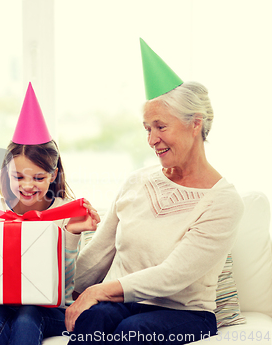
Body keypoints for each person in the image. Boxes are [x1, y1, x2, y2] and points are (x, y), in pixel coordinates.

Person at [64, 39, 244, 345]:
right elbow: (99, 255)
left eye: (160, 127)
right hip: (123, 304)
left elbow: (173, 274)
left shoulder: (224, 201)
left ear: (194, 124)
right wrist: (60, 291)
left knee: (133, 331)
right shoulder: (136, 181)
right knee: (95, 317)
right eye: (147, 128)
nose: (151, 140)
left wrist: (98, 292)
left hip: (186, 314)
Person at [0, 83, 101, 345]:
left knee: (28, 314)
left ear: (53, 175)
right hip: (4, 305)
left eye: (39, 177)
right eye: (19, 176)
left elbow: (65, 287)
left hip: (51, 311)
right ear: (7, 171)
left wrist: (72, 235)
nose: (28, 186)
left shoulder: (65, 212)